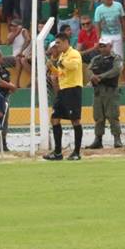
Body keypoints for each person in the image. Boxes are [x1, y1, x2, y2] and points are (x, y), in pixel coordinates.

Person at [44, 32, 85, 161]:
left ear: (66, 42)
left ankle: (77, 152)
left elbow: (74, 66)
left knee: (75, 120)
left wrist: (60, 63)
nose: (57, 46)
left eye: (58, 43)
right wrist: (52, 69)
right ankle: (57, 152)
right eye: (56, 43)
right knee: (54, 118)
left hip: (73, 89)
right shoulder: (63, 56)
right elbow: (62, 74)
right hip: (63, 90)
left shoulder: (74, 54)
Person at [86, 40, 123, 149]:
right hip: (98, 91)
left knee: (113, 115)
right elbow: (88, 69)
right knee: (98, 116)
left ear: (110, 46)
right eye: (100, 46)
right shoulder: (96, 59)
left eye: (104, 46)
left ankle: (117, 138)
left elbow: (116, 70)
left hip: (110, 90)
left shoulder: (116, 58)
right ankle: (98, 139)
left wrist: (101, 77)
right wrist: (92, 76)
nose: (102, 48)